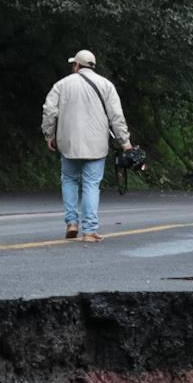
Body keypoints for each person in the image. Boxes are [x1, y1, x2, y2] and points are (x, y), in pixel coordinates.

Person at [40, 49, 130, 240]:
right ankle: (89, 230)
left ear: (76, 66)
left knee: (69, 180)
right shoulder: (106, 85)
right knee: (91, 185)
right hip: (96, 145)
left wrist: (49, 134)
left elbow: (49, 110)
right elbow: (116, 116)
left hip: (69, 143)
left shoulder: (62, 85)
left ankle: (72, 222)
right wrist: (125, 142)